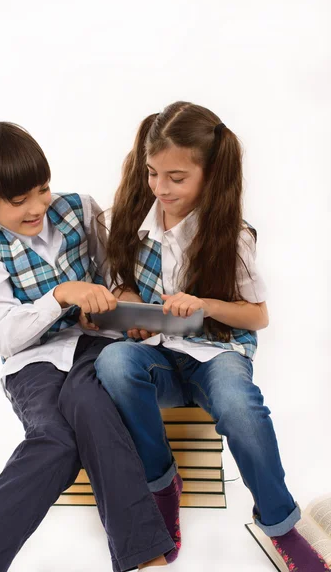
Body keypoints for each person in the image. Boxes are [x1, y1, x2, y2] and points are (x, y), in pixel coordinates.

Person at [92, 101, 330, 571]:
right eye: (152, 173)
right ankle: (162, 485)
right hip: (156, 357)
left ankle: (281, 525)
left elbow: (257, 316)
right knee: (113, 363)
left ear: (210, 174)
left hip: (215, 353)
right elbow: (122, 284)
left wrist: (204, 306)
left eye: (176, 178)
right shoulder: (133, 222)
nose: (160, 188)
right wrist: (127, 302)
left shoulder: (230, 234)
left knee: (241, 408)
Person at [0, 122, 175, 572]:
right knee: (56, 443)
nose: (36, 207)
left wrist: (109, 303)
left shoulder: (79, 210)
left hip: (97, 343)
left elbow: (114, 273)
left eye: (41, 190)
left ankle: (145, 557)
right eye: (18, 201)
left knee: (92, 405)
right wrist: (61, 295)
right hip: (34, 361)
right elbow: (4, 335)